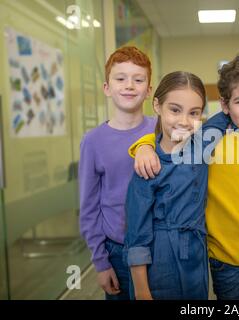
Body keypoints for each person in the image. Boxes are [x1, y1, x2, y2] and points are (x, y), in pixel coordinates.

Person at [131, 54, 239, 300]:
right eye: (175, 109)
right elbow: (170, 138)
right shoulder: (207, 144)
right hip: (213, 260)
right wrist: (143, 146)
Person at [124, 71, 231, 300]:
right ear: (157, 105)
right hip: (159, 261)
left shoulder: (202, 144)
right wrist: (142, 292)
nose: (184, 120)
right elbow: (136, 238)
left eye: (194, 113)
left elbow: (231, 109)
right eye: (175, 109)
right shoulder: (148, 166)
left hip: (195, 255)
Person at [79, 46, 156, 300]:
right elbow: (89, 207)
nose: (129, 86)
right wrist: (100, 263)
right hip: (117, 251)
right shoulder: (93, 141)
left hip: (160, 246)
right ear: (107, 88)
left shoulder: (162, 129)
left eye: (138, 79)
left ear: (149, 90)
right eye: (120, 78)